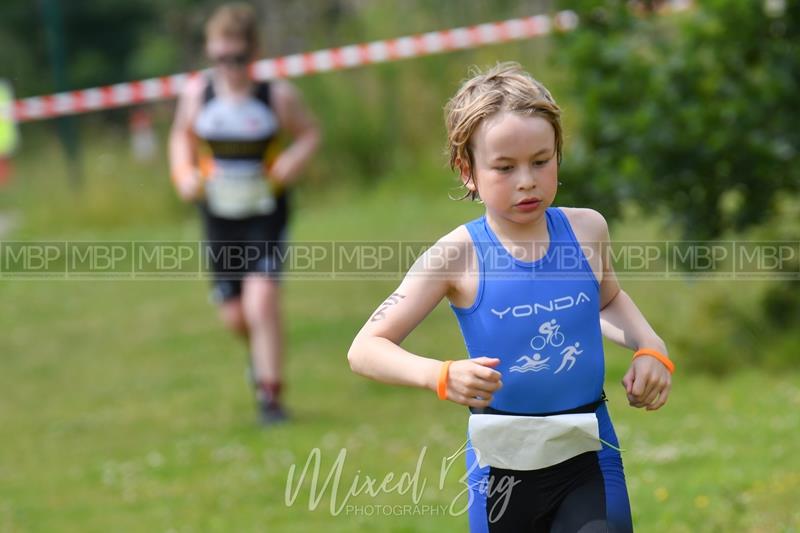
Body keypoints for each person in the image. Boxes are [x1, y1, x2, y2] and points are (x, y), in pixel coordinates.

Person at [347, 62, 674, 532]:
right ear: (468, 171)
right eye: (504, 168)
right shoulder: (456, 256)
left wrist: (650, 346)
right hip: (500, 470)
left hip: (588, 455)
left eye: (541, 161)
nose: (527, 180)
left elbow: (605, 301)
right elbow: (365, 349)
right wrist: (440, 375)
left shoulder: (586, 231)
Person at [169, 3, 320, 425]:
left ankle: (270, 397)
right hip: (219, 215)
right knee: (235, 314)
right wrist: (182, 173)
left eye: (238, 59)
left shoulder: (277, 95)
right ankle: (259, 359)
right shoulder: (198, 94)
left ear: (254, 54)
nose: (229, 68)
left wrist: (295, 157)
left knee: (262, 301)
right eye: (220, 59)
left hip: (264, 212)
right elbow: (181, 136)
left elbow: (310, 133)